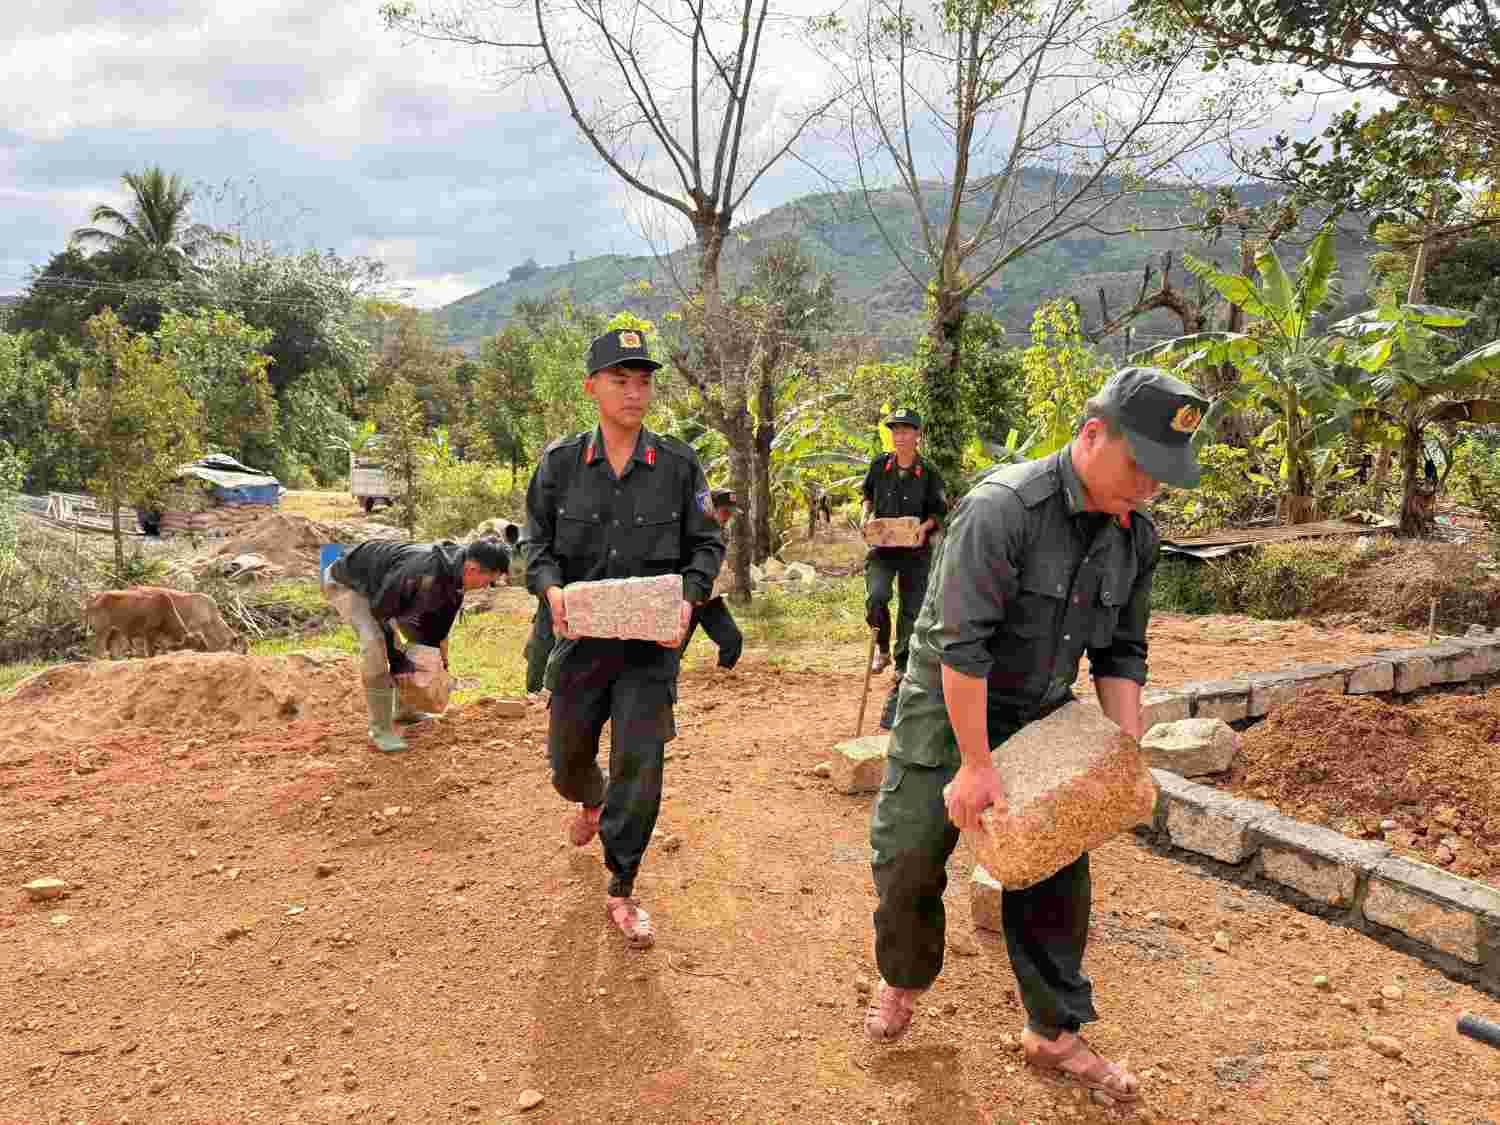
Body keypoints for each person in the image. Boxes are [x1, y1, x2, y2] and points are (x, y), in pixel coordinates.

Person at [864, 368, 1210, 1106]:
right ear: (1091, 436)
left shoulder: (1136, 536)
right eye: (1138, 466)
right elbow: (961, 649)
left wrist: (1120, 756)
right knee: (909, 854)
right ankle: (903, 975)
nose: (1148, 488)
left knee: (1057, 871)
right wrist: (976, 765)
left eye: (1161, 476)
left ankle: (1053, 1031)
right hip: (948, 698)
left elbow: (1122, 652)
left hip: (1039, 705)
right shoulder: (1004, 509)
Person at [524, 327, 724, 948]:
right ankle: (588, 798)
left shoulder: (679, 466)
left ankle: (622, 885)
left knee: (641, 765)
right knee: (566, 761)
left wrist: (691, 598)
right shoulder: (559, 467)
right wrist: (551, 590)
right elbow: (535, 546)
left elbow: (706, 545)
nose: (635, 392)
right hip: (579, 645)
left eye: (643, 381)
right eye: (620, 379)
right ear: (592, 388)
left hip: (648, 653)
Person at [322, 537, 511, 753]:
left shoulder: (456, 577)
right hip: (351, 584)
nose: (485, 587)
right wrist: (398, 659)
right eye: (488, 581)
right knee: (377, 646)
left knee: (415, 647)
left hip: (388, 593)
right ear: (472, 568)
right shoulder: (420, 571)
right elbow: (381, 611)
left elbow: (435, 632)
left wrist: (439, 664)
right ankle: (381, 730)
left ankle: (406, 710)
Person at [862, 408, 947, 729]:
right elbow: (867, 497)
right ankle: (881, 649)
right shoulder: (879, 466)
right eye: (895, 431)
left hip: (914, 552)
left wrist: (922, 529)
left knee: (911, 612)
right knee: (877, 597)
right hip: (882, 550)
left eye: (906, 431)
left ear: (917, 435)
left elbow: (939, 513)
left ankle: (901, 668)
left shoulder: (929, 472)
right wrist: (865, 518)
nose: (899, 436)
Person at [682, 489, 744, 672]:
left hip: (710, 597)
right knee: (674, 645)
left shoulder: (723, 532)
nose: (728, 517)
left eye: (730, 513)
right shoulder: (688, 531)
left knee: (733, 640)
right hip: (688, 596)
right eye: (725, 512)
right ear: (710, 509)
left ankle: (723, 675)